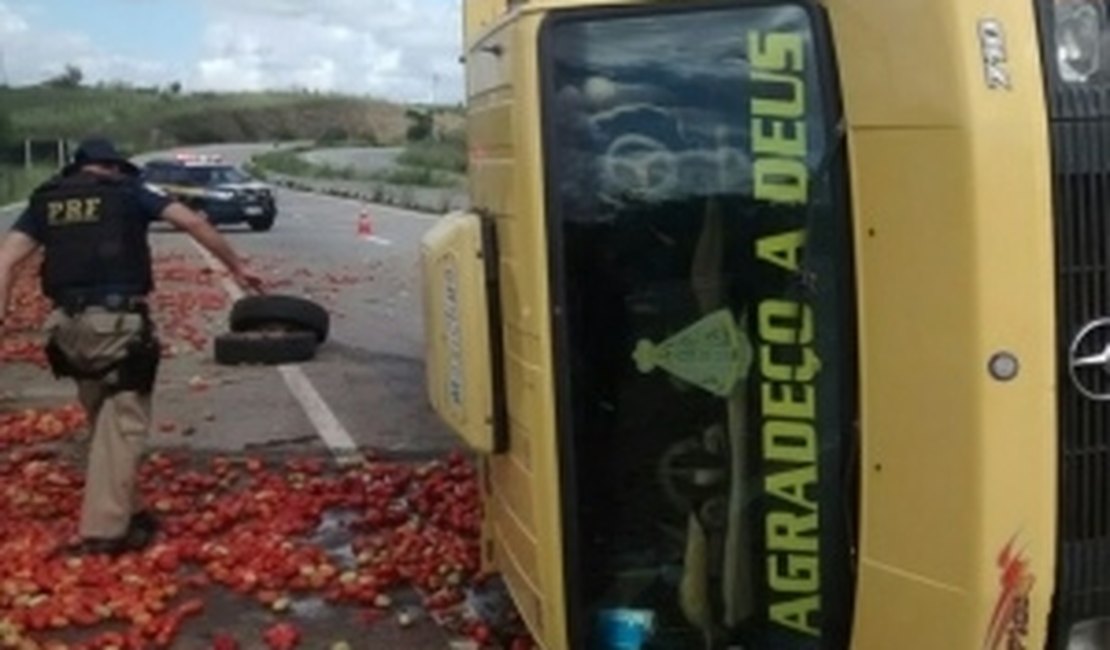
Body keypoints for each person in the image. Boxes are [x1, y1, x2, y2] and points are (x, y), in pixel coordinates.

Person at [0, 137, 263, 556]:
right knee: (123, 422)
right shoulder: (129, 193)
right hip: (116, 323)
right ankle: (105, 531)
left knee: (101, 416)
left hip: (65, 331)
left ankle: (131, 510)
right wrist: (237, 267)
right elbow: (192, 223)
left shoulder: (46, 200)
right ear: (114, 167)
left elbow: (7, 259)